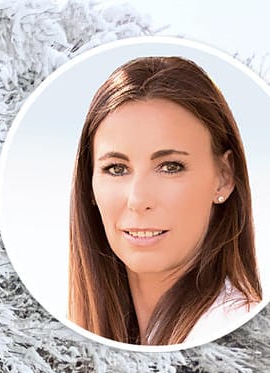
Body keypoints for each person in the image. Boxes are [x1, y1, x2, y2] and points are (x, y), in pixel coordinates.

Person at [67, 55, 261, 346]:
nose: (138, 199)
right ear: (89, 185)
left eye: (171, 166)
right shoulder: (98, 327)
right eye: (116, 169)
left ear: (223, 177)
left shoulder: (228, 323)